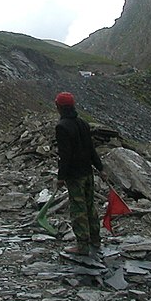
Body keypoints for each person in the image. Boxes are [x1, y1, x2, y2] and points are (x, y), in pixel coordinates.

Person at [54, 91, 106, 256]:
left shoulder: (62, 127)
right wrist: (101, 168)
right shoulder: (83, 123)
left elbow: (65, 155)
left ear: (59, 107)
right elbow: (91, 149)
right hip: (88, 172)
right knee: (90, 206)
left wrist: (61, 177)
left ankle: (82, 245)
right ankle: (96, 239)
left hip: (75, 175)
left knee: (78, 209)